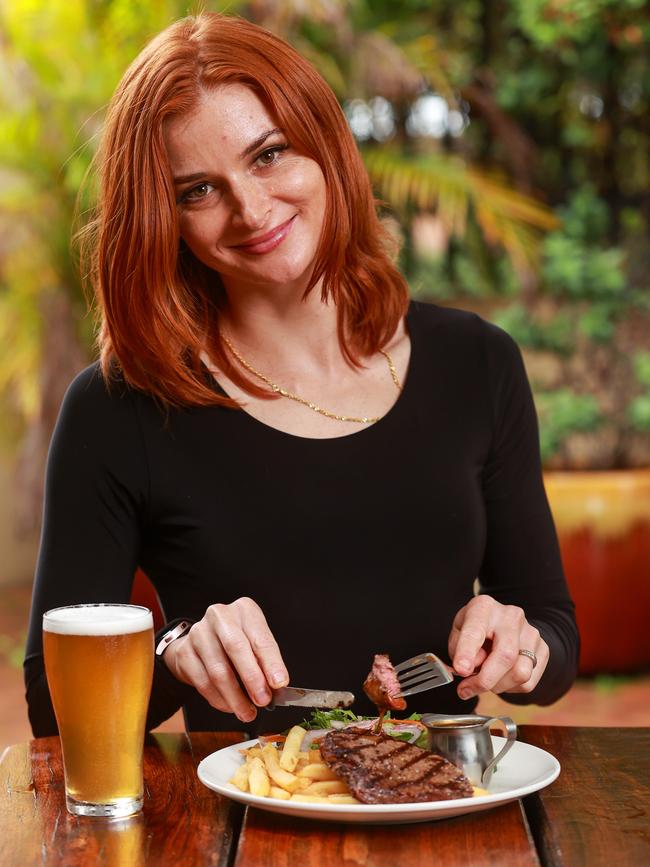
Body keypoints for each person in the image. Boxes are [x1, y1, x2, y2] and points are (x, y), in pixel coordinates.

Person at [24, 12, 579, 737]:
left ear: (324, 145)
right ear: (166, 218)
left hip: (445, 814)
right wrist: (175, 651)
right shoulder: (118, 408)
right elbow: (49, 705)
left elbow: (554, 631)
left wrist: (525, 644)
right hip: (243, 833)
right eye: (198, 191)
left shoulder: (478, 362)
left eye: (269, 154)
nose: (251, 210)